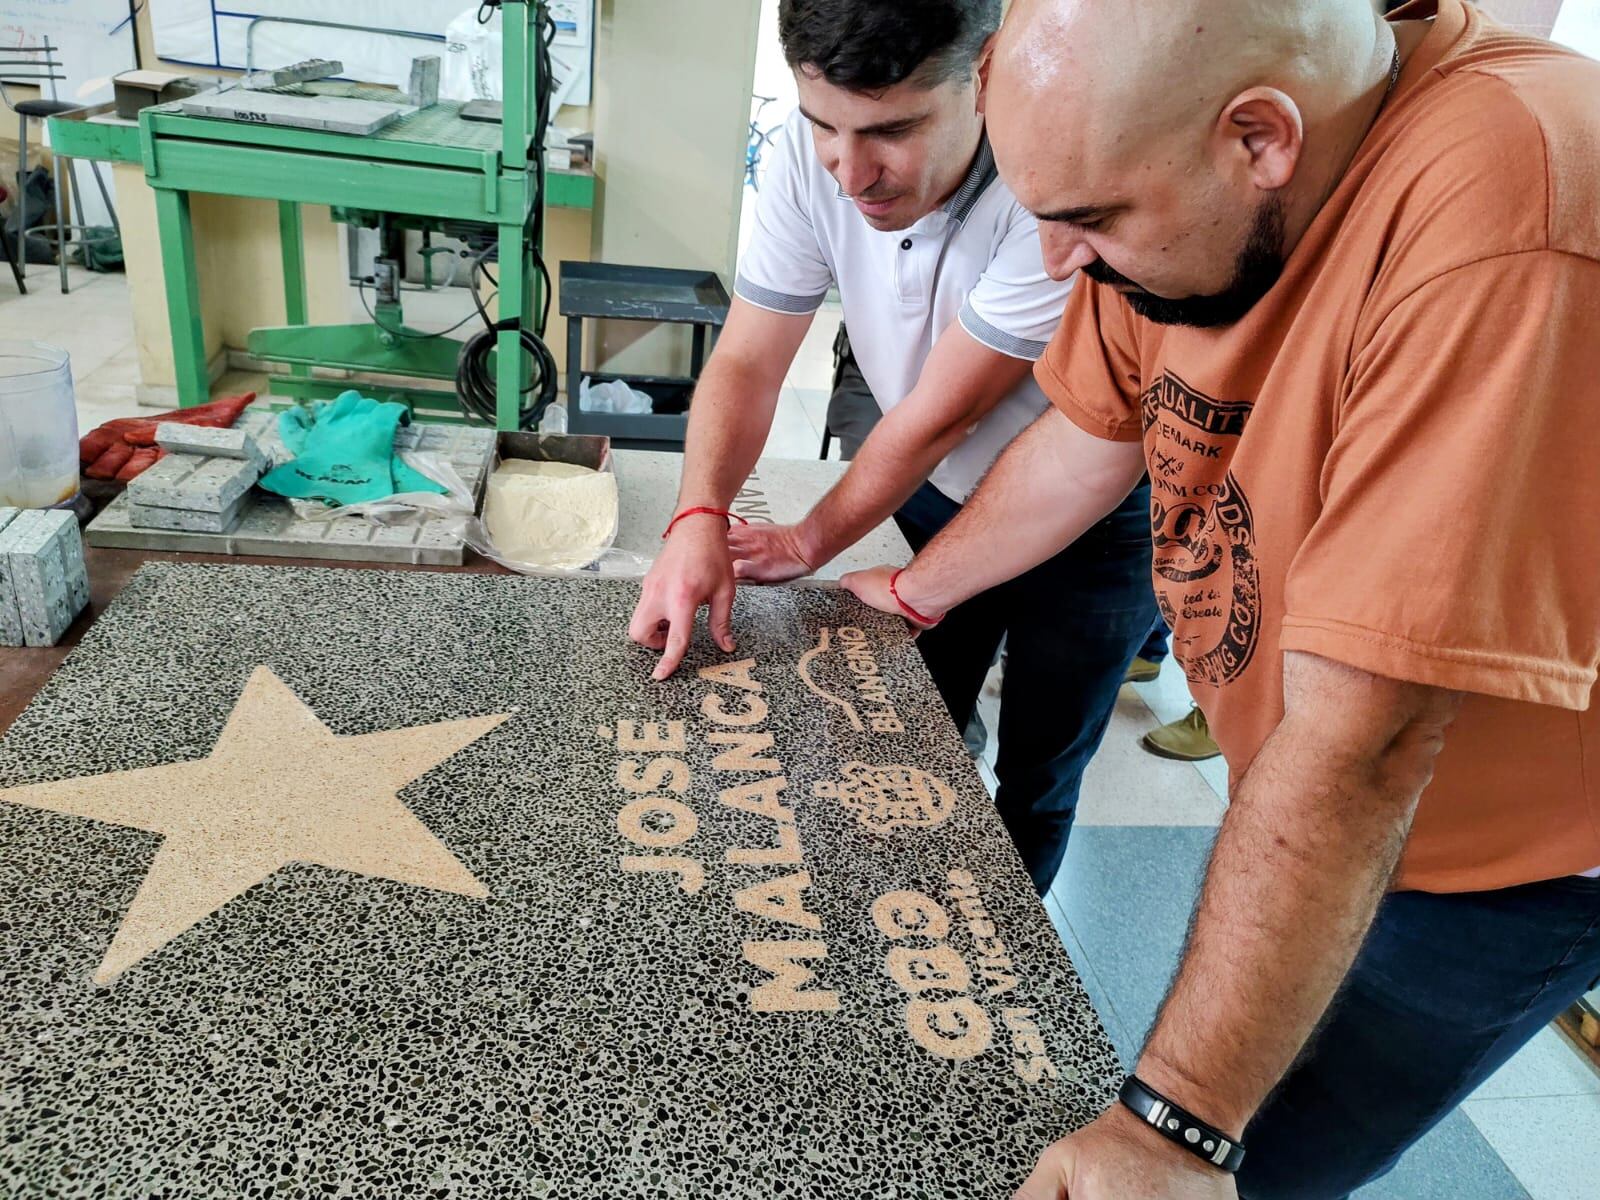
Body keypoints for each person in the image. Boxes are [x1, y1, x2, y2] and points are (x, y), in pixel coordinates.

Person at [842, 1, 1600, 1196]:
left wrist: (1174, 1125)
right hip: (1314, 772)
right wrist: (915, 592)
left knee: (1255, 1160)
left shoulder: (1512, 210)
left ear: (1261, 139)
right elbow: (1089, 437)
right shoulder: (1162, 169)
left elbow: (1372, 745)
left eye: (1088, 220)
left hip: (1493, 859)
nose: (1057, 261)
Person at [628, 0, 1155, 894]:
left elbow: (942, 412)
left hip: (1094, 523)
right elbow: (751, 357)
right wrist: (696, 516)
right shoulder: (814, 156)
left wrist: (807, 541)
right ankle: (884, 922)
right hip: (934, 485)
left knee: (1041, 771)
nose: (851, 172)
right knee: (893, 733)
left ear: (987, 74)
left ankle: (1004, 973)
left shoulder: (1052, 188)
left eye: (894, 130)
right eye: (823, 126)